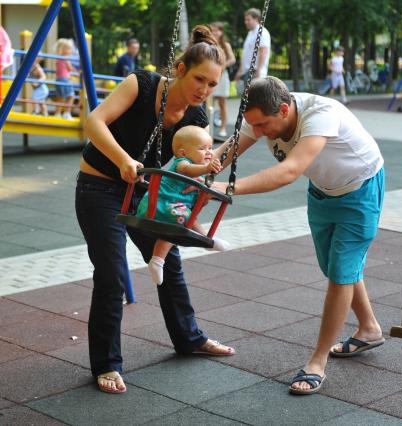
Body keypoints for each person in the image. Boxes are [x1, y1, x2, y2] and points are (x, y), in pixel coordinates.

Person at [76, 25, 236, 395]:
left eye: (212, 85)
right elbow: (94, 122)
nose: (204, 91)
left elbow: (191, 167)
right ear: (180, 70)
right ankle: (107, 364)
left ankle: (189, 338)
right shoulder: (142, 84)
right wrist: (122, 159)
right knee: (112, 272)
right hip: (101, 185)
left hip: (144, 192)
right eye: (200, 79)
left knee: (171, 260)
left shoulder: (197, 120)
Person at [214, 76, 385, 395]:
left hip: (360, 189)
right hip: (322, 190)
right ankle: (370, 329)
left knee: (341, 274)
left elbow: (288, 172)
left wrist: (227, 188)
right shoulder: (263, 114)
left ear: (283, 109)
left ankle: (317, 361)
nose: (259, 132)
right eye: (254, 126)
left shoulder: (321, 113)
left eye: (263, 125)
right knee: (336, 267)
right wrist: (196, 173)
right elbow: (223, 155)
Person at [137, 125, 230, 285]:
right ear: (182, 152)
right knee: (184, 217)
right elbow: (189, 170)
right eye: (202, 148)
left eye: (210, 147)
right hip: (161, 205)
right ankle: (206, 239)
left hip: (169, 208)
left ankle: (157, 261)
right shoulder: (182, 163)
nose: (209, 152)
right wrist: (207, 168)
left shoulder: (193, 171)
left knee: (171, 233)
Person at [234, 8, 271, 93]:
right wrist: (240, 71)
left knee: (254, 99)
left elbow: (263, 52)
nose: (245, 22)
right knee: (248, 100)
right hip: (248, 71)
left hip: (255, 72)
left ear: (256, 19)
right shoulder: (250, 33)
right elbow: (246, 54)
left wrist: (259, 71)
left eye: (248, 19)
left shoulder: (262, 32)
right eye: (245, 20)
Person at [211, 22, 236, 137]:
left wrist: (223, 65)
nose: (215, 32)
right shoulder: (208, 44)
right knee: (208, 102)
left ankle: (223, 127)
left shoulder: (225, 45)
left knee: (222, 102)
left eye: (217, 30)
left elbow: (232, 59)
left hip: (222, 76)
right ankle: (208, 126)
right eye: (213, 30)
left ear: (221, 32)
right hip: (210, 75)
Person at [54, 38, 75, 120]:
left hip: (58, 79)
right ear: (63, 50)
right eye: (69, 48)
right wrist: (74, 69)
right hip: (65, 80)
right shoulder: (66, 58)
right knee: (71, 96)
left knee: (60, 97)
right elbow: (70, 68)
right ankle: (67, 113)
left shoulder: (58, 58)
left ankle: (57, 113)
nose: (71, 50)